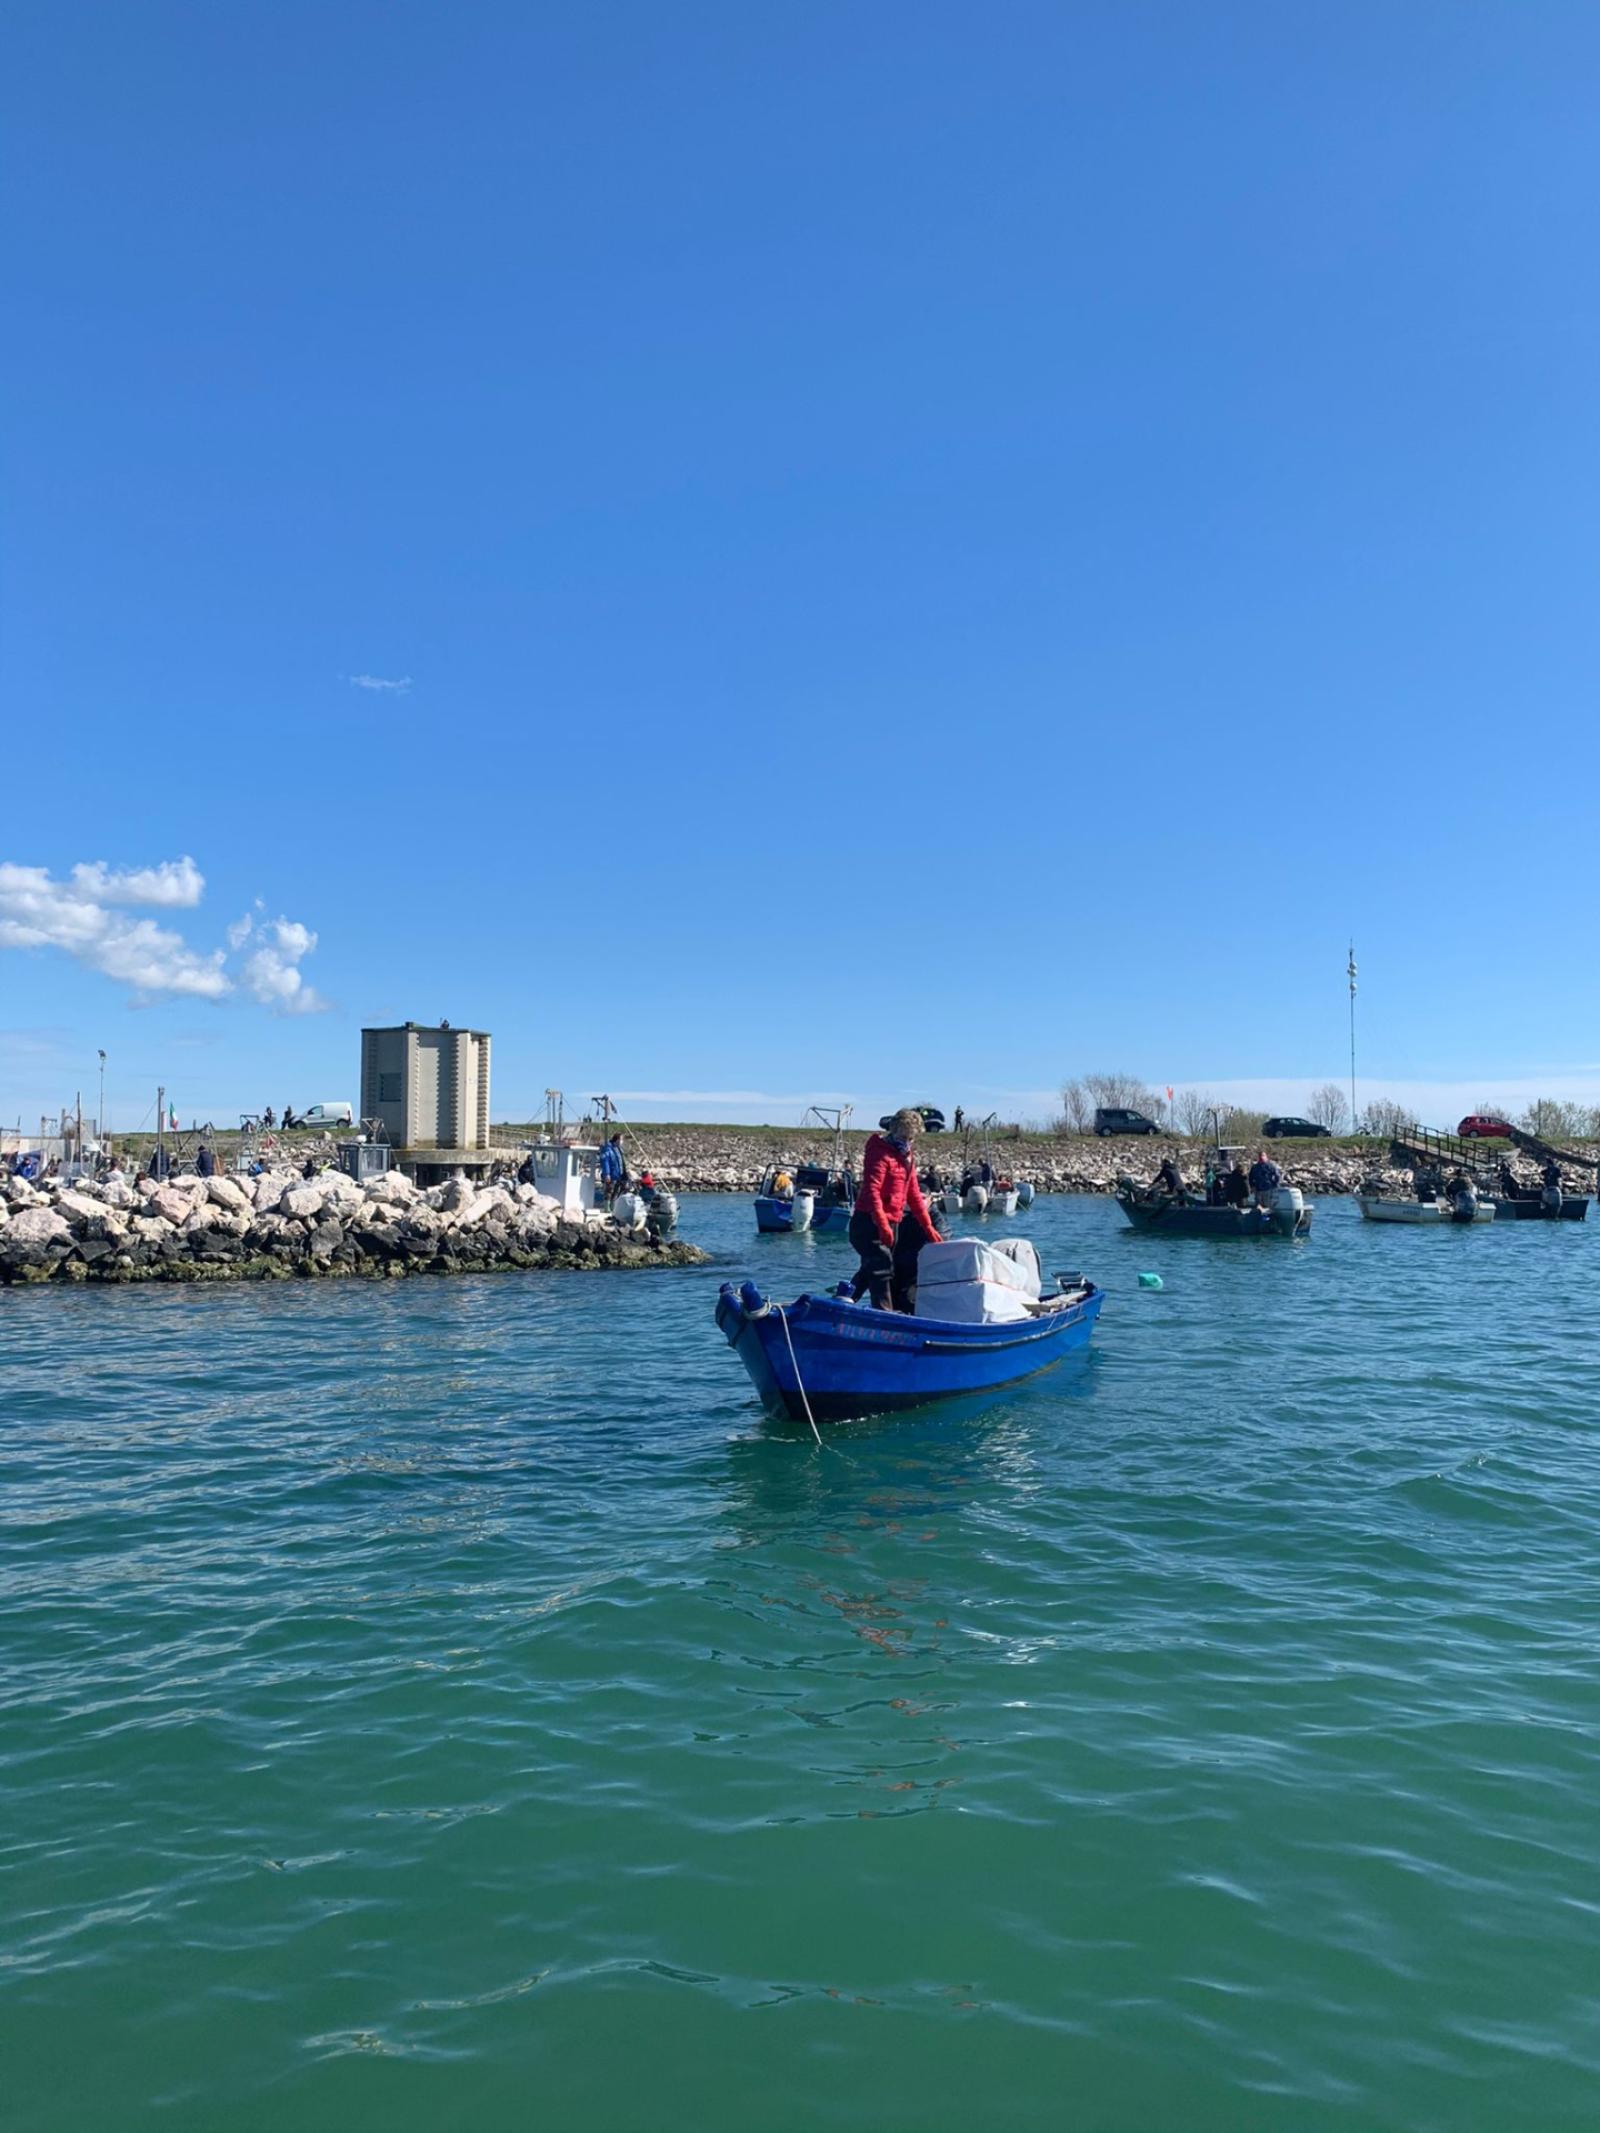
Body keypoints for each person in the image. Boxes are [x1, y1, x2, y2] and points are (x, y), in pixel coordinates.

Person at [849, 1106, 942, 1312]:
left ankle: (843, 1300)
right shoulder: (879, 1153)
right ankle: (885, 1316)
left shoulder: (907, 1158)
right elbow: (873, 1190)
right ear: (894, 1131)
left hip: (892, 1223)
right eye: (904, 1136)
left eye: (911, 1138)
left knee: (871, 1267)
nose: (907, 1141)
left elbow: (914, 1195)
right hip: (869, 1222)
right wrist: (882, 1224)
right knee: (881, 1269)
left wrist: (928, 1228)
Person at [598, 1132, 627, 1203]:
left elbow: (621, 1162)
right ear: (617, 1140)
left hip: (619, 1175)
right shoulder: (608, 1149)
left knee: (619, 1190)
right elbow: (605, 1162)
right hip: (611, 1175)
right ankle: (607, 1207)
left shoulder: (618, 1149)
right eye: (621, 1140)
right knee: (609, 1191)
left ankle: (614, 1204)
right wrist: (607, 1174)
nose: (622, 1142)